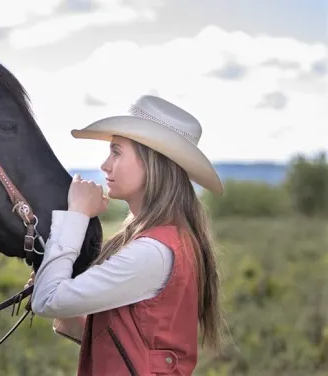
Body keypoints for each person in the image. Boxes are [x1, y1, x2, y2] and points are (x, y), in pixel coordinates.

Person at [25, 94, 225, 376]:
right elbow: (133, 345)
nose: (105, 165)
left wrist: (77, 213)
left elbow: (47, 300)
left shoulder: (153, 252)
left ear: (152, 162)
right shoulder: (170, 240)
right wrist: (61, 295)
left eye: (116, 152)